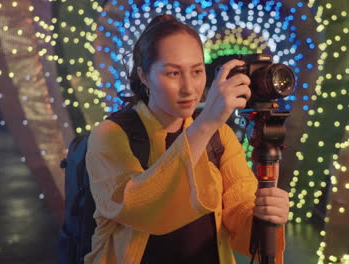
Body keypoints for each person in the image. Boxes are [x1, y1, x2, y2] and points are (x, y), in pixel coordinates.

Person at [84, 14, 289, 264]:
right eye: (173, 73)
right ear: (144, 76)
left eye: (197, 71)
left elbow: (240, 210)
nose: (189, 88)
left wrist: (266, 216)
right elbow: (143, 209)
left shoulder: (219, 136)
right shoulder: (111, 134)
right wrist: (208, 121)